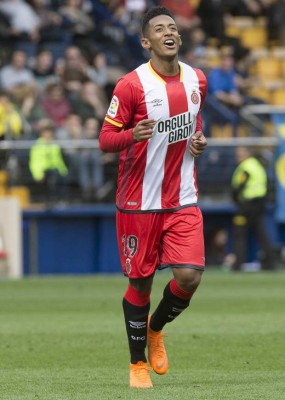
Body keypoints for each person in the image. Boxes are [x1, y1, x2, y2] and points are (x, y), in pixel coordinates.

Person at [99, 6, 208, 389]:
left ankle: (156, 329)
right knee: (141, 283)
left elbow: (194, 121)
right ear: (146, 41)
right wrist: (132, 135)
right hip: (138, 202)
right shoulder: (130, 86)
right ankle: (136, 364)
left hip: (182, 196)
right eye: (159, 29)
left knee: (189, 277)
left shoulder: (198, 79)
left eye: (173, 27)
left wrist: (198, 140)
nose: (168, 32)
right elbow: (105, 140)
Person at [231, 146, 276, 271]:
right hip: (259, 205)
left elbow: (239, 186)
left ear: (246, 154)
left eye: (240, 155)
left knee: (239, 234)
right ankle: (270, 263)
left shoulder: (245, 168)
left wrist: (235, 199)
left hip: (246, 206)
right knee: (261, 234)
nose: (238, 157)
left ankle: (238, 264)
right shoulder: (257, 165)